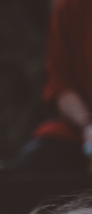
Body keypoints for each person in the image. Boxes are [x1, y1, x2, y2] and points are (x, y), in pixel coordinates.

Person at [14, 0, 92, 173]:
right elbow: (61, 84)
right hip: (81, 133)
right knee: (37, 160)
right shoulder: (71, 6)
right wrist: (87, 125)